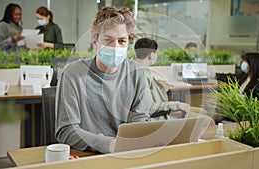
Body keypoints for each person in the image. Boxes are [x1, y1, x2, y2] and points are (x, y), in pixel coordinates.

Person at [55, 6, 152, 154]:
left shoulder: (136, 72)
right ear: (95, 41)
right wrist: (109, 144)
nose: (115, 46)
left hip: (126, 154)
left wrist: (129, 143)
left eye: (122, 41)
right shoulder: (73, 73)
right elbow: (66, 130)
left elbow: (141, 119)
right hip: (87, 155)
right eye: (108, 40)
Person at [134, 37, 192, 120]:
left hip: (155, 114)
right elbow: (148, 107)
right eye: (156, 52)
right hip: (154, 119)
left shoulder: (135, 69)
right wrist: (178, 105)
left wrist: (158, 87)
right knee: (205, 117)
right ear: (151, 55)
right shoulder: (142, 74)